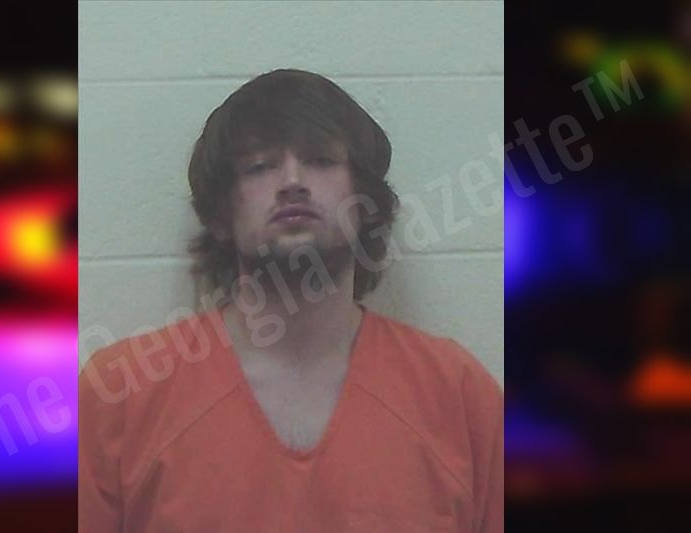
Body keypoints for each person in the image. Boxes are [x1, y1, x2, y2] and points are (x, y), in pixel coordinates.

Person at [79, 69, 503, 532]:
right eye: (260, 166)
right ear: (221, 214)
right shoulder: (120, 395)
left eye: (320, 160)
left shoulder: (460, 397)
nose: (293, 181)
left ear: (364, 204)